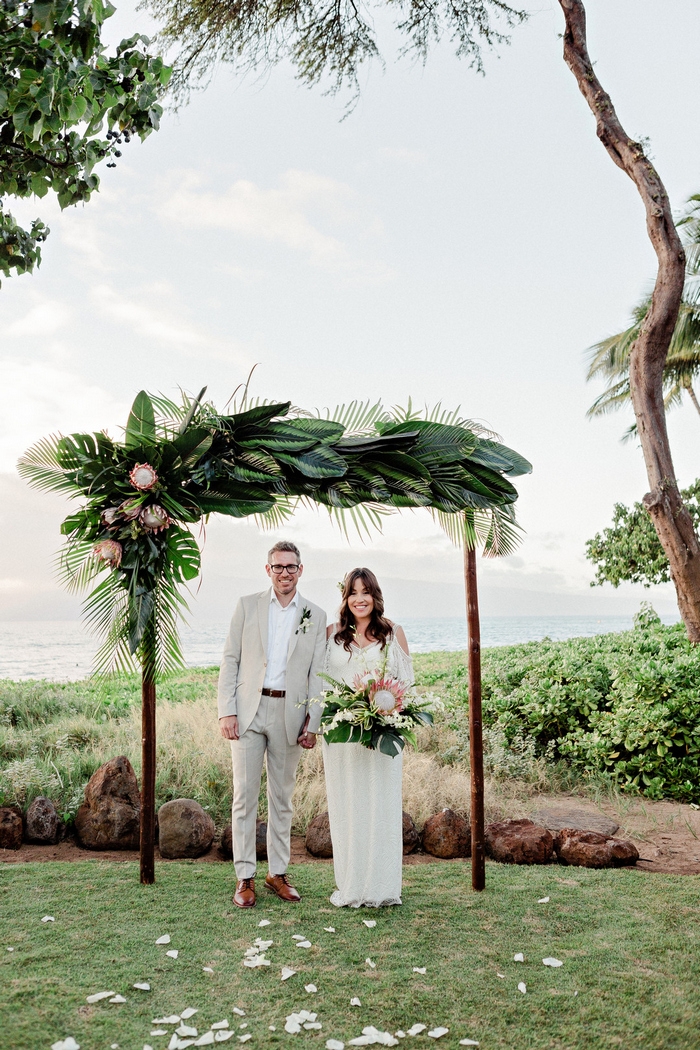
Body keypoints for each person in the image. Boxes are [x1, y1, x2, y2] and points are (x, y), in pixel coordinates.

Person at [218, 541, 327, 908]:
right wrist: (226, 711)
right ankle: (244, 877)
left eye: (291, 567)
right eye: (278, 567)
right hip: (249, 711)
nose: (285, 573)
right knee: (244, 797)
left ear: (301, 569)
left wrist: (313, 721)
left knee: (282, 799)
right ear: (268, 570)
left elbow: (318, 673)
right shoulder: (247, 605)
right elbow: (230, 660)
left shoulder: (315, 614)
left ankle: (276, 873)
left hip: (290, 714)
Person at [323, 567, 414, 908]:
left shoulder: (393, 633)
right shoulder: (333, 633)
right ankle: (351, 884)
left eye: (366, 592)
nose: (359, 599)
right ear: (345, 598)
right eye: (352, 592)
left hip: (381, 736)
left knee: (380, 804)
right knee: (348, 806)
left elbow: (406, 685)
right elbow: (322, 684)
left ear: (375, 596)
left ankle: (381, 886)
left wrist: (387, 714)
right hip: (342, 736)